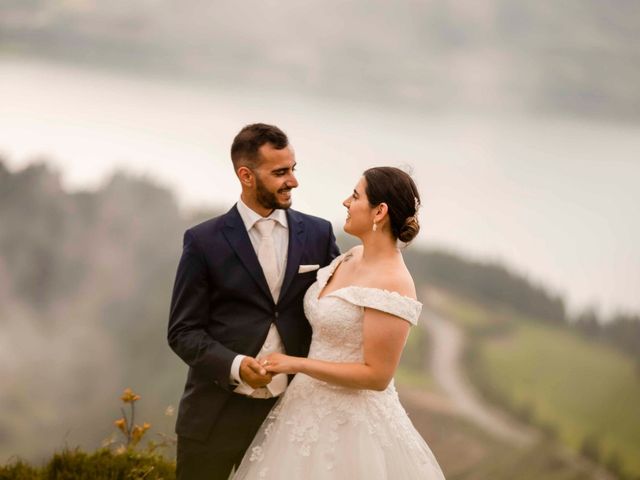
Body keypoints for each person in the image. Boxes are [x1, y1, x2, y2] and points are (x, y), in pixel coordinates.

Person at [232, 167, 446, 479]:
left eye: (356, 196)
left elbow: (377, 376)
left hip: (353, 428)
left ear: (380, 211)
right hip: (303, 409)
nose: (346, 202)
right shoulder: (351, 256)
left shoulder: (393, 282)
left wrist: (296, 364)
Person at [167, 123, 340, 480]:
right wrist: (235, 365)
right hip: (213, 416)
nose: (292, 180)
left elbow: (332, 313)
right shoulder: (203, 241)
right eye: (280, 172)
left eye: (293, 169)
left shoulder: (320, 235)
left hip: (291, 417)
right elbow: (183, 331)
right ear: (246, 175)